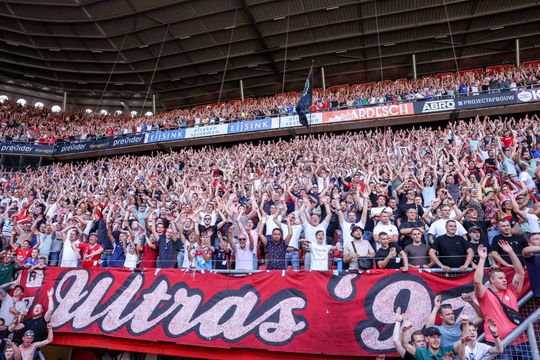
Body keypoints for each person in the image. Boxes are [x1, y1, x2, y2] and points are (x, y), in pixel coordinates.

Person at [474, 241, 531, 359]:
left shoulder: (511, 290)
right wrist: (482, 259)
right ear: (491, 281)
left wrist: (510, 252)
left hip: (521, 340)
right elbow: (477, 281)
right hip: (499, 342)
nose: (505, 280)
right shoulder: (485, 294)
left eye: (505, 278)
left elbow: (520, 272)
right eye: (500, 278)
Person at [401, 320, 468, 360]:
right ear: (426, 339)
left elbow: (464, 341)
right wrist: (404, 330)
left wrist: (465, 324)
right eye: (433, 337)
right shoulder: (421, 352)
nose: (436, 339)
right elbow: (405, 344)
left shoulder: (447, 350)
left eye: (438, 337)